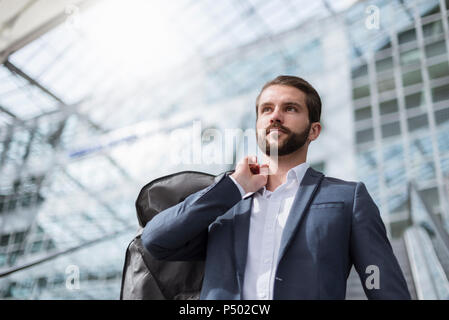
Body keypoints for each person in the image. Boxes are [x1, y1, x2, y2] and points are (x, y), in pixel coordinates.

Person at [142, 75, 411, 300]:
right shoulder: (225, 199)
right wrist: (234, 186)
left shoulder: (348, 198)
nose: (276, 116)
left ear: (313, 130)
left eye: (290, 108)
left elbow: (385, 288)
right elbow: (155, 240)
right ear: (258, 124)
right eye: (266, 109)